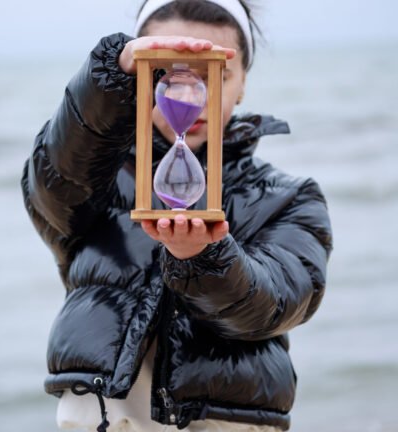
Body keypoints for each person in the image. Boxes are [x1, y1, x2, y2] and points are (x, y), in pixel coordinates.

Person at [21, 0, 333, 431]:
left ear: (242, 83)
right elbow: (52, 185)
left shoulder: (290, 197)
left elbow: (277, 303)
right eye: (166, 75)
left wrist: (205, 258)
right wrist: (111, 76)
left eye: (216, 76)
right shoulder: (100, 174)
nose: (191, 96)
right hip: (109, 413)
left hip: (226, 420)